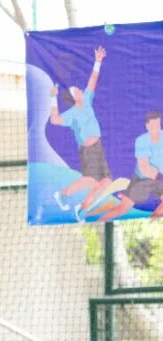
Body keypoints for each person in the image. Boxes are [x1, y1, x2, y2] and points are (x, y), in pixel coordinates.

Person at [50, 46, 112, 221]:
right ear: (73, 97)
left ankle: (82, 209)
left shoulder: (87, 99)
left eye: (78, 88)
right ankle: (63, 194)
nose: (79, 89)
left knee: (106, 182)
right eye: (75, 90)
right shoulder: (71, 114)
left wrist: (97, 62)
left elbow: (92, 81)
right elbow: (54, 119)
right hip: (87, 151)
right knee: (91, 180)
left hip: (98, 147)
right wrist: (53, 98)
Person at [97, 110, 163, 223]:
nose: (156, 129)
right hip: (143, 179)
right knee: (122, 208)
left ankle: (149, 223)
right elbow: (145, 168)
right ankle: (99, 222)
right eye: (153, 126)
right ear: (147, 126)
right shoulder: (141, 141)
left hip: (159, 179)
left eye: (158, 125)